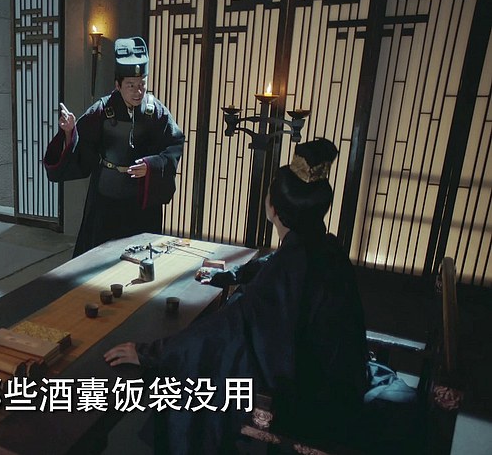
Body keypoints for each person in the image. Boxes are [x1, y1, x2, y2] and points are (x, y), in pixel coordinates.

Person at [103, 138, 369, 453]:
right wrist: (232, 275)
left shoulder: (288, 269)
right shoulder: (324, 248)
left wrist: (149, 353)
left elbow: (223, 330)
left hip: (307, 400)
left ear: (274, 208)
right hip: (339, 378)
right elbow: (273, 268)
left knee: (197, 365)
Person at [43, 37, 184, 257]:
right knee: (98, 256)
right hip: (106, 195)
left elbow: (175, 143)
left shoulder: (156, 111)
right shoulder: (102, 110)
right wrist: (69, 132)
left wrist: (152, 165)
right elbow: (83, 147)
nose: (138, 91)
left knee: (141, 256)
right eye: (131, 85)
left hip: (140, 200)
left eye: (142, 84)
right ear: (117, 85)